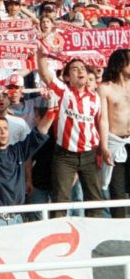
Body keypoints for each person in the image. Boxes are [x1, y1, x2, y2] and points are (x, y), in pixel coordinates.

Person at [36, 47, 104, 216]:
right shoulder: (63, 92)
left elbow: (101, 123)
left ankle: (94, 237)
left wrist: (104, 149)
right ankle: (59, 237)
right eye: (75, 69)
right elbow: (45, 74)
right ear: (67, 77)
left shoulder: (96, 97)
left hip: (90, 154)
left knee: (94, 199)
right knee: (60, 199)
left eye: (82, 68)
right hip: (65, 156)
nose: (80, 71)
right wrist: (41, 54)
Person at [99, 49, 130, 217]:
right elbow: (103, 120)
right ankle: (119, 228)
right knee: (117, 190)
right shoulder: (105, 88)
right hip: (115, 142)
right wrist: (104, 147)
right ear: (121, 64)